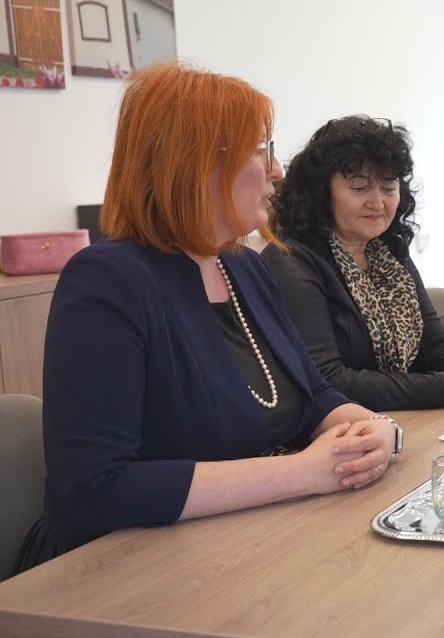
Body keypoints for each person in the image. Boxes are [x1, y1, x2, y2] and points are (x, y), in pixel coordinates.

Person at [13, 64, 398, 586]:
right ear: (195, 164)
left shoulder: (244, 267)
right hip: (115, 574)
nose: (277, 169)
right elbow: (95, 488)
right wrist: (302, 472)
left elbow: (312, 394)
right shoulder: (106, 280)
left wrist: (375, 429)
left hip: (234, 549)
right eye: (259, 150)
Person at [263, 115, 444, 411]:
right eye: (359, 188)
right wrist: (441, 388)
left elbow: (434, 345)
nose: (377, 203)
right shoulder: (291, 260)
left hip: (399, 419)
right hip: (338, 427)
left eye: (389, 188)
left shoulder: (389, 250)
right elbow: (327, 379)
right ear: (322, 193)